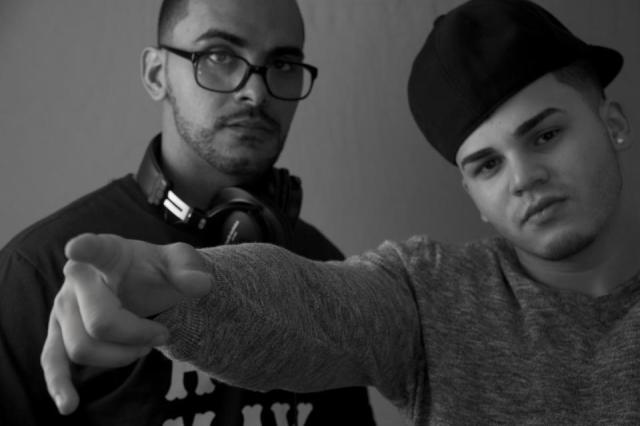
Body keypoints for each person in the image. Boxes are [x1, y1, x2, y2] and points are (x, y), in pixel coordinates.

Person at [41, 0, 640, 424]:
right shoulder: (431, 294)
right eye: (487, 165)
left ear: (613, 124)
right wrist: (177, 289)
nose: (524, 178)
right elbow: (314, 306)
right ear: (472, 195)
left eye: (545, 136)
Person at [0, 0, 377, 425]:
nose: (257, 93)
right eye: (219, 55)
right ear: (156, 74)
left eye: (283, 64)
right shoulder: (37, 272)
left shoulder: (322, 266)